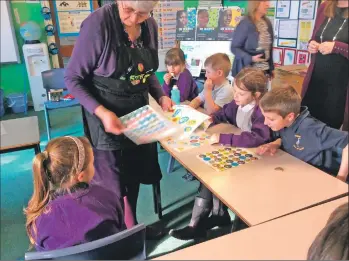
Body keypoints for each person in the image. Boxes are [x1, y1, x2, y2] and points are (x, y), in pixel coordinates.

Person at [64, 1, 173, 239]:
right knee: (112, 184)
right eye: (128, 10)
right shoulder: (97, 24)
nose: (134, 19)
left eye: (142, 14)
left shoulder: (150, 26)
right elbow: (72, 78)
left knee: (132, 175)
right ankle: (118, 236)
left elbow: (145, 72)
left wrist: (161, 96)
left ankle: (130, 228)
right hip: (106, 117)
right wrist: (102, 112)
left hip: (137, 117)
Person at [169, 68, 271, 240]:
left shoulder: (263, 110)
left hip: (258, 159)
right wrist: (210, 119)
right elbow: (223, 113)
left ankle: (198, 224)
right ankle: (216, 215)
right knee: (209, 174)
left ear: (256, 95)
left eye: (240, 93)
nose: (235, 96)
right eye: (235, 91)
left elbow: (257, 138)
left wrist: (223, 137)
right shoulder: (238, 103)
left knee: (214, 176)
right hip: (239, 151)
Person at [24, 137, 125, 251]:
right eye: (92, 163)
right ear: (80, 176)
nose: (94, 167)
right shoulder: (107, 197)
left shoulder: (38, 216)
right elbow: (121, 236)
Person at [257, 85, 349, 182]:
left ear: (290, 117)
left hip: (319, 178)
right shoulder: (284, 124)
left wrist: (341, 177)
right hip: (296, 173)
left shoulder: (312, 129)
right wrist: (275, 144)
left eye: (271, 119)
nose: (265, 123)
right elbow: (288, 137)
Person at [301, 0, 348, 130]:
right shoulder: (324, 6)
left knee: (329, 130)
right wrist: (311, 44)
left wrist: (337, 47)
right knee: (308, 124)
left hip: (340, 87)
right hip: (316, 81)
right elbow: (315, 37)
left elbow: (340, 47)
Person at [230, 1, 274, 77]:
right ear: (255, 3)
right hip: (247, 73)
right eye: (264, 1)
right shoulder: (245, 23)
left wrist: (271, 69)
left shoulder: (267, 22)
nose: (268, 4)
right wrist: (250, 58)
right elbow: (234, 47)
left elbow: (269, 49)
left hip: (264, 72)